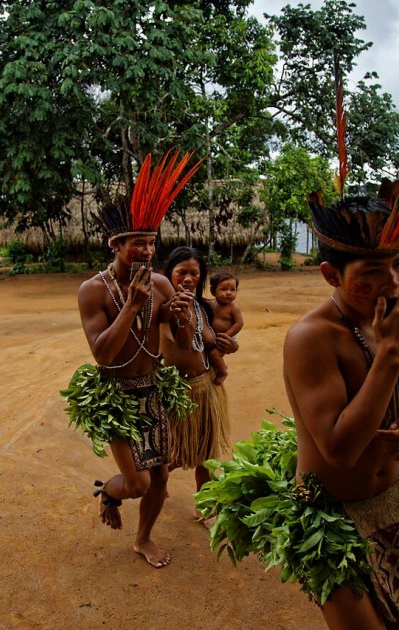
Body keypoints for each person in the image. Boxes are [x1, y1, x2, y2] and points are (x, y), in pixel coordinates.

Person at [196, 131, 399, 626]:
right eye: (373, 271)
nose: (393, 283)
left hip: (395, 502)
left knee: (396, 620)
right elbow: (339, 447)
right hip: (329, 514)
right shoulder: (311, 338)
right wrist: (389, 355)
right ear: (330, 274)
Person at [63, 150, 201, 568]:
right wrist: (130, 307)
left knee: (161, 476)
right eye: (138, 243)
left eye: (152, 242)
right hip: (117, 396)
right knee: (138, 482)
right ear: (116, 244)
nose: (147, 249)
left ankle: (142, 539)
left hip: (154, 391)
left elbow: (182, 341)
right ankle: (109, 490)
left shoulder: (160, 282)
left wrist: (182, 317)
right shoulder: (93, 290)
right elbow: (102, 355)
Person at [160, 247, 237, 521]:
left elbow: (211, 346)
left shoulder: (203, 307)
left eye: (195, 273)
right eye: (182, 272)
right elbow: (178, 344)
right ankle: (156, 481)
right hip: (179, 392)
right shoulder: (162, 310)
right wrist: (177, 312)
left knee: (205, 455)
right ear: (169, 274)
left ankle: (203, 506)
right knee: (177, 454)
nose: (189, 278)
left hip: (206, 388)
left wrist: (231, 345)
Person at [209, 271, 243, 366]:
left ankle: (222, 371)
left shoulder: (233, 307)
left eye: (232, 290)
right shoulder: (211, 304)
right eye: (223, 289)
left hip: (228, 337)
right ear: (213, 291)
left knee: (214, 355)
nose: (228, 293)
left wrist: (227, 335)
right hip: (215, 337)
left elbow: (239, 324)